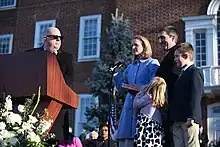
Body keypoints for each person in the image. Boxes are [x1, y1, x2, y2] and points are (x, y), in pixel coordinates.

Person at [26, 27, 74, 141]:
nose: (58, 41)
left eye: (60, 38)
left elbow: (69, 80)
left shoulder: (66, 57)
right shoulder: (31, 54)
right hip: (37, 103)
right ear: (45, 39)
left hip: (57, 106)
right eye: (55, 37)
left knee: (55, 138)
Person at [114, 35, 160, 147]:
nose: (133, 47)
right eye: (132, 45)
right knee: (125, 141)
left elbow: (155, 86)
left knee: (139, 139)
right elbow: (121, 87)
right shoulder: (130, 67)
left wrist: (139, 88)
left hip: (143, 107)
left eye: (136, 45)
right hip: (128, 106)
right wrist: (116, 75)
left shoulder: (152, 64)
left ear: (144, 47)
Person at [170, 42, 204, 147]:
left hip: (189, 120)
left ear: (185, 55)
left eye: (177, 56)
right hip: (178, 119)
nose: (174, 59)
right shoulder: (180, 74)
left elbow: (196, 95)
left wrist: (192, 117)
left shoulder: (194, 72)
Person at [155, 25, 181, 147]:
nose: (160, 41)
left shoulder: (177, 52)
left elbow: (175, 77)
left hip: (172, 102)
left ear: (172, 37)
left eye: (163, 38)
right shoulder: (169, 55)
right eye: (159, 38)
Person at [133, 77, 167, 147]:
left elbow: (136, 104)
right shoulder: (160, 100)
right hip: (153, 126)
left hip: (146, 124)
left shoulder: (149, 97)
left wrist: (142, 92)